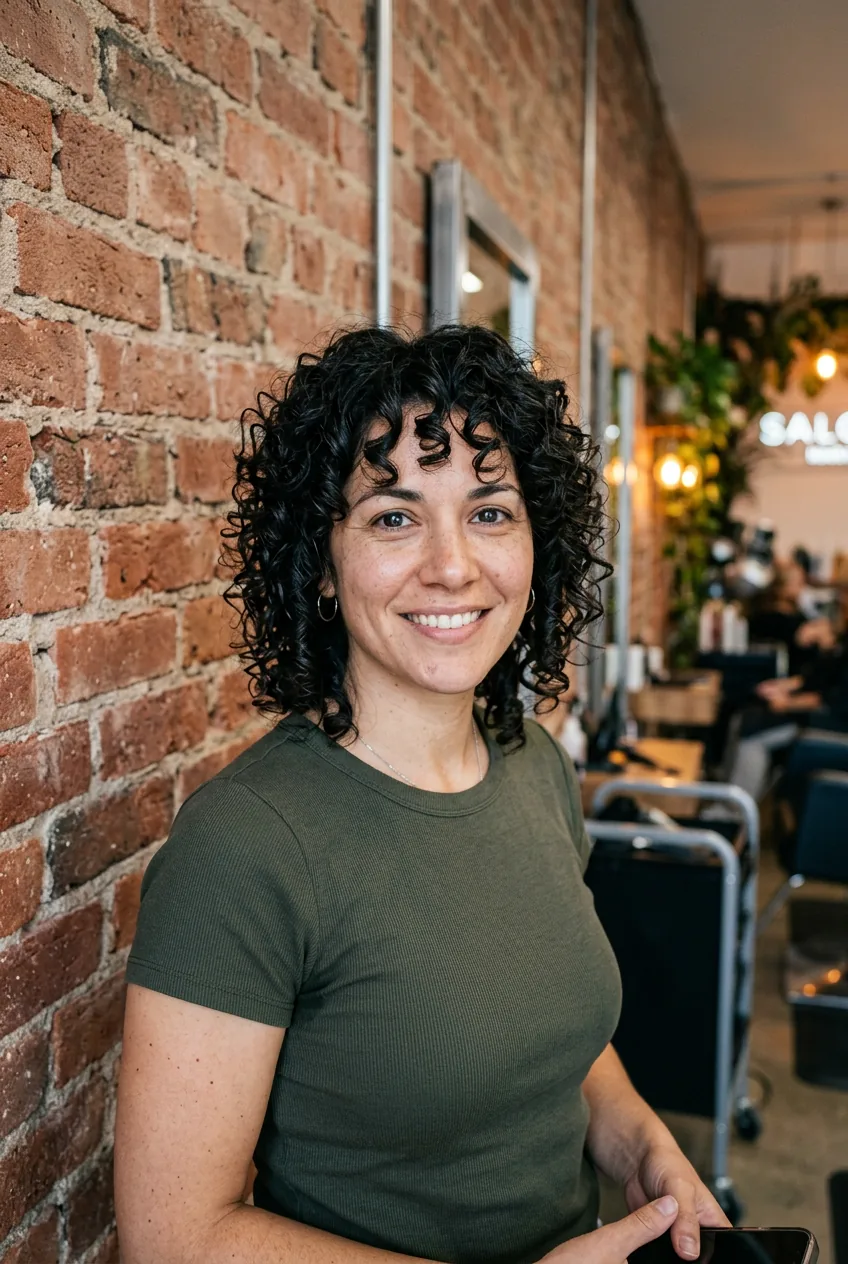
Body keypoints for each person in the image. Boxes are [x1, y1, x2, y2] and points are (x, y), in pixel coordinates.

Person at [115, 326, 728, 1264]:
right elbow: (173, 1235)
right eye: (394, 517)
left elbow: (555, 1043)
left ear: (538, 542)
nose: (453, 565)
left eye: (490, 512)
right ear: (321, 560)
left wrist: (645, 1144)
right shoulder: (247, 845)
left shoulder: (537, 768)